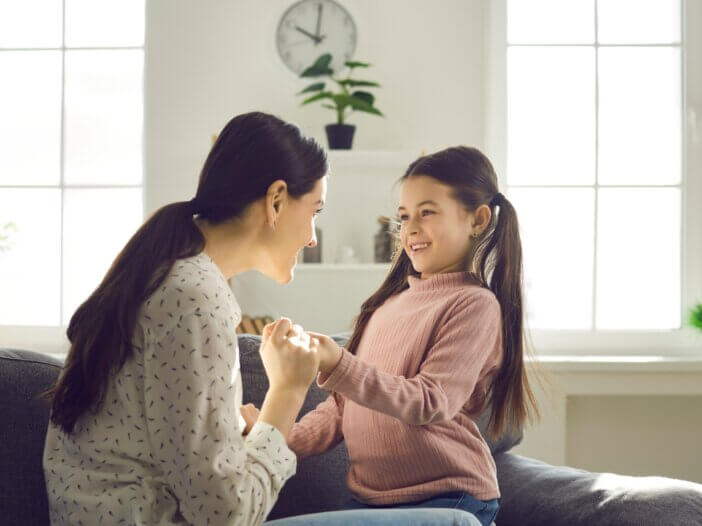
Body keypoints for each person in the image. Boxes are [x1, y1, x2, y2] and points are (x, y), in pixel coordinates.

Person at [41, 112, 481, 526]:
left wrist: (261, 429)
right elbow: (224, 514)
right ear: (275, 200)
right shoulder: (195, 298)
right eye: (315, 211)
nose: (312, 238)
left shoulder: (173, 279)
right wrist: (287, 391)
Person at [277, 146, 540, 526]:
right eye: (404, 216)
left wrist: (339, 362)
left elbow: (430, 401)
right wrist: (275, 437)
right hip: (369, 502)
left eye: (427, 212)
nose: (411, 227)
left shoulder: (474, 304)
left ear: (478, 220)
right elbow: (341, 408)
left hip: (449, 499)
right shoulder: (385, 306)